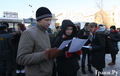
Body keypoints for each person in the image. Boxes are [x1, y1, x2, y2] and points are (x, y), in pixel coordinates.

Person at [16, 7, 61, 76]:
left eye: (50, 20)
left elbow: (43, 50)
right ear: (38, 20)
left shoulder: (46, 33)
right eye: (46, 20)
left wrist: (54, 51)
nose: (49, 23)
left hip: (48, 73)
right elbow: (21, 59)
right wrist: (45, 55)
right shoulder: (29, 33)